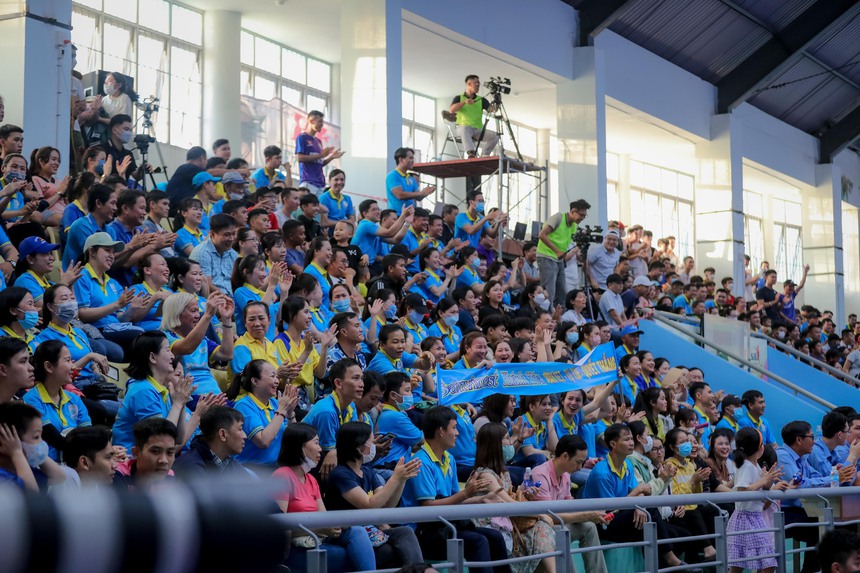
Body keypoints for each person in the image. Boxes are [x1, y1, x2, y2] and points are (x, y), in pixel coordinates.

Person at [401, 406, 511, 573]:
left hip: (445, 525)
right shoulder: (421, 462)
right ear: (441, 431)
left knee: (494, 537)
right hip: (424, 533)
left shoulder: (449, 458)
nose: (458, 433)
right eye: (454, 428)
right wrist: (466, 493)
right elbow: (427, 508)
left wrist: (480, 499)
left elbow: (454, 499)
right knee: (477, 541)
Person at [273, 422, 377, 573]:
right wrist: (320, 528)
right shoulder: (282, 476)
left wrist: (333, 527)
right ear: (299, 446)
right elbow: (278, 529)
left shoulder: (311, 479)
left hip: (318, 539)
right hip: (295, 548)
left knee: (356, 531)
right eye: (316, 442)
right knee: (348, 555)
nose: (320, 449)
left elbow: (323, 518)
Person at [324, 421, 425, 568]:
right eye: (371, 442)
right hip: (347, 533)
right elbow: (369, 505)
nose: (374, 446)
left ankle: (419, 571)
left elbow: (386, 506)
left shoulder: (367, 471)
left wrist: (401, 480)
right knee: (388, 552)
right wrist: (395, 477)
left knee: (405, 532)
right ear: (359, 447)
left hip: (371, 530)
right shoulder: (341, 474)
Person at [531, 434, 609, 573]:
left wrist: (592, 515)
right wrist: (586, 515)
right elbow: (550, 517)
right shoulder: (539, 475)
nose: (580, 467)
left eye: (582, 462)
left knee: (589, 527)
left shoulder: (566, 475)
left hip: (555, 525)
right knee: (564, 531)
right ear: (565, 456)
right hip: (539, 529)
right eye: (578, 462)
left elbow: (569, 507)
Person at [110, 331, 196, 452]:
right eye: (167, 350)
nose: (172, 356)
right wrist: (177, 403)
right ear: (153, 357)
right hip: (129, 462)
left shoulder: (159, 389)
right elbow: (161, 439)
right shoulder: (144, 391)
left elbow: (179, 438)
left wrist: (182, 402)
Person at [727, 427, 786, 573]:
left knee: (743, 563)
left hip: (754, 517)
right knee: (762, 562)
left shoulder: (754, 465)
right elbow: (742, 490)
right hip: (746, 518)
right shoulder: (746, 466)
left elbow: (761, 489)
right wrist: (763, 481)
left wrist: (768, 481)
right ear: (759, 449)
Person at [226, 359, 298, 472]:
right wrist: (282, 411)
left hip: (278, 466)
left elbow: (293, 439)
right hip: (254, 470)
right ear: (255, 381)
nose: (277, 381)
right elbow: (263, 441)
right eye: (272, 376)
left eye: (276, 376)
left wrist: (290, 415)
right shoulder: (244, 406)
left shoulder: (275, 403)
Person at [161, 292, 234, 398]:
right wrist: (208, 315)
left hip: (214, 395)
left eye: (198, 310)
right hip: (189, 397)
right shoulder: (165, 338)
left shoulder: (202, 339)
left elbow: (227, 354)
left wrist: (227, 319)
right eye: (193, 311)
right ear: (177, 313)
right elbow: (186, 348)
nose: (198, 315)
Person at [302, 357, 364, 478]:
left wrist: (335, 451)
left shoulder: (351, 405)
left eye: (362, 378)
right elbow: (327, 453)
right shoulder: (327, 412)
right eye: (355, 378)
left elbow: (353, 442)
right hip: (305, 462)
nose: (361, 384)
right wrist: (334, 451)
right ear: (338, 383)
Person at [537, 200, 590, 307]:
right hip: (546, 256)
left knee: (562, 293)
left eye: (585, 216)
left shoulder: (574, 225)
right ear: (573, 211)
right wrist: (557, 251)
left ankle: (559, 318)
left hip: (559, 260)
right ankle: (546, 318)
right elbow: (542, 235)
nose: (582, 218)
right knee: (549, 291)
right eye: (581, 215)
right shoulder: (558, 217)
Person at [12, 236, 81, 308]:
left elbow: (74, 310)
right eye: (45, 253)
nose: (52, 258)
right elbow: (46, 311)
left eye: (50, 253)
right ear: (30, 259)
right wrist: (63, 285)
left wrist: (70, 286)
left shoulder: (50, 283)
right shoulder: (24, 281)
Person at [113, 417, 179, 491]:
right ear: (136, 452)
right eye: (155, 451)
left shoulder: (170, 476)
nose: (164, 460)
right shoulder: (116, 476)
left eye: (170, 453)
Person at [450, 75, 499, 158]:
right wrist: (464, 102)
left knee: (495, 136)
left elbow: (492, 110)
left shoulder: (481, 100)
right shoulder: (459, 98)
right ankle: (471, 152)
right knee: (465, 128)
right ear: (469, 84)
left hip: (477, 130)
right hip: (462, 128)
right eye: (476, 83)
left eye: (479, 83)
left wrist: (497, 101)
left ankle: (484, 154)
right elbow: (451, 110)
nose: (478, 85)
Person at [190, 213, 239, 294]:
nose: (231, 239)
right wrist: (226, 299)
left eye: (233, 234)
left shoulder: (233, 253)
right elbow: (206, 284)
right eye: (227, 235)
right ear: (212, 234)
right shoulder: (202, 252)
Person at [295, 110, 343, 194]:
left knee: (318, 207)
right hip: (308, 182)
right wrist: (320, 155)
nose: (322, 124)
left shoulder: (318, 141)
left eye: (322, 122)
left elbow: (319, 163)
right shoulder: (302, 137)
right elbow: (299, 158)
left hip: (320, 183)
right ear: (310, 121)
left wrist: (331, 157)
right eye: (319, 121)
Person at [385, 147, 435, 214]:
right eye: (410, 158)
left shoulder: (411, 178)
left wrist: (426, 192)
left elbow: (419, 197)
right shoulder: (393, 176)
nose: (413, 161)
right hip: (397, 216)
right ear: (401, 160)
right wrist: (421, 193)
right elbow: (400, 195)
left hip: (410, 216)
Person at [166, 146, 207, 214]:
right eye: (206, 159)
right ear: (202, 158)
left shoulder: (185, 169)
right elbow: (210, 173)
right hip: (176, 210)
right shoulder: (188, 168)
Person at [0, 337, 35, 403]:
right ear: (2, 369)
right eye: (23, 361)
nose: (31, 368)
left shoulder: (22, 405)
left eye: (28, 361)